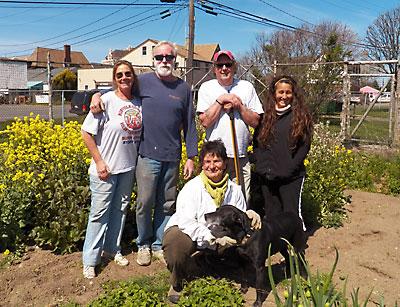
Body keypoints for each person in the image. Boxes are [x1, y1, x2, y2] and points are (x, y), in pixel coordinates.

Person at [90, 41, 198, 267]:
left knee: (167, 204)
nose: (164, 61)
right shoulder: (144, 82)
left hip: (172, 156)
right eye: (159, 57)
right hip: (147, 155)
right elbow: (120, 89)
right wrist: (95, 95)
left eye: (169, 57)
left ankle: (159, 244)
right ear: (154, 60)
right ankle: (143, 244)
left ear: (175, 60)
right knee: (144, 202)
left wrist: (191, 156)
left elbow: (189, 124)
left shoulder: (184, 89)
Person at [162, 140, 261, 303]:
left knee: (245, 245)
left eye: (217, 161)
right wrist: (212, 237)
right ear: (202, 164)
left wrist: (249, 217)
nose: (212, 166)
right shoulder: (192, 188)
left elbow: (238, 221)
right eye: (207, 161)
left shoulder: (234, 190)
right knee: (176, 246)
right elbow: (186, 222)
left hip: (220, 238)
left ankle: (206, 264)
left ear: (224, 164)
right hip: (188, 232)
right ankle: (178, 281)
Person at [81, 60, 142, 279]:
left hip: (127, 168)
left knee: (120, 210)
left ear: (133, 76)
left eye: (128, 74)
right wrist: (98, 161)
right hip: (104, 169)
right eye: (120, 75)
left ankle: (111, 249)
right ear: (114, 78)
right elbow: (86, 133)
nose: (124, 78)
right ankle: (90, 259)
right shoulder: (105, 101)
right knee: (99, 214)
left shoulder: (138, 102)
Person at [196, 50, 263, 203]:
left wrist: (239, 106)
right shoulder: (207, 88)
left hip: (240, 155)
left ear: (234, 67)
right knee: (215, 199)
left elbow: (256, 121)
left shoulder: (246, 87)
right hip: (215, 158)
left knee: (241, 199)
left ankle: (241, 226)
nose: (224, 68)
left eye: (228, 64)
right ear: (214, 68)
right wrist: (220, 101)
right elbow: (205, 121)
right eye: (220, 65)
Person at [253, 75, 313, 227]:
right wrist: (261, 163)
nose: (284, 96)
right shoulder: (265, 116)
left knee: (291, 215)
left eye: (288, 92)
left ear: (293, 94)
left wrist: (291, 168)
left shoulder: (301, 116)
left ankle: (296, 247)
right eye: (281, 92)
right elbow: (257, 142)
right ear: (274, 94)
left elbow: (305, 147)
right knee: (272, 214)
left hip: (290, 177)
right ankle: (278, 244)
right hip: (268, 175)